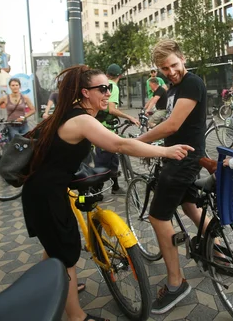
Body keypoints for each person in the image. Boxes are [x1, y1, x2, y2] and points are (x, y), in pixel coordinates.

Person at [21, 65, 192, 321]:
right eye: (102, 88)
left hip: (42, 191)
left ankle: (55, 284)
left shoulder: (73, 114)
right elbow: (119, 144)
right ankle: (77, 316)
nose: (107, 92)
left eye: (109, 87)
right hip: (47, 196)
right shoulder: (81, 120)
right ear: (84, 93)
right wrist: (165, 151)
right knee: (66, 255)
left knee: (54, 246)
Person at [136, 39, 208, 314]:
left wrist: (139, 142)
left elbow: (174, 124)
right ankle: (217, 250)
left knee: (158, 216)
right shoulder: (174, 87)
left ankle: (176, 284)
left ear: (183, 58)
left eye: (174, 65)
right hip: (178, 154)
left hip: (183, 158)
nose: (170, 71)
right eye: (164, 68)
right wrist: (154, 123)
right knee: (190, 205)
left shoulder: (191, 83)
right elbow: (171, 117)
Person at [93, 64, 140, 195]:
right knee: (103, 160)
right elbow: (112, 109)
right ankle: (96, 191)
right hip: (105, 129)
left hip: (100, 127)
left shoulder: (100, 83)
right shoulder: (113, 86)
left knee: (113, 159)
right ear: (119, 76)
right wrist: (129, 116)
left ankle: (115, 187)